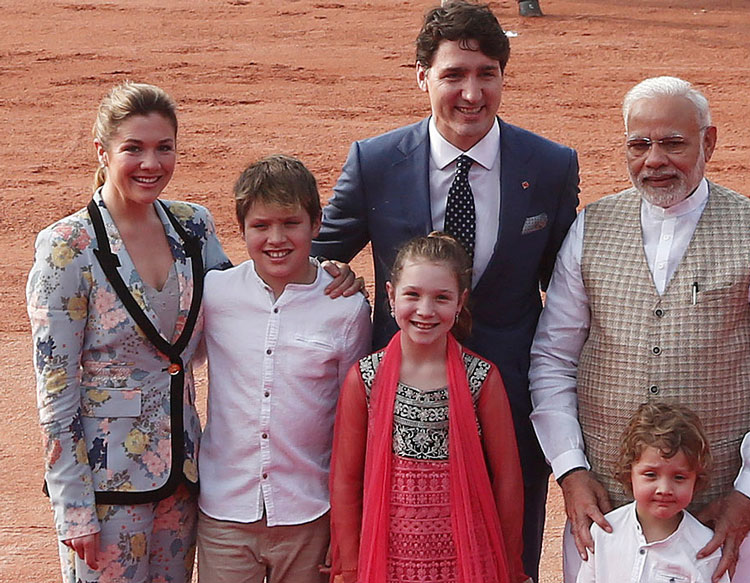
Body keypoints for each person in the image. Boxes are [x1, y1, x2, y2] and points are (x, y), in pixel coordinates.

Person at [312, 3, 579, 577]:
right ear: (422, 76)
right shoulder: (376, 161)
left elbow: (566, 288)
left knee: (509, 551)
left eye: (486, 73)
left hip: (509, 397)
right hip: (405, 403)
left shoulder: (551, 165)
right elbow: (318, 253)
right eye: (453, 74)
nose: (471, 93)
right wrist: (337, 274)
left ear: (503, 76)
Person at [529, 75, 750, 583]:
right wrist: (571, 470)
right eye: (639, 145)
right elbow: (553, 359)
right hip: (609, 519)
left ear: (708, 142)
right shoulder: (590, 227)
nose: (654, 160)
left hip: (723, 516)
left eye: (672, 143)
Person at [26, 82, 232, 583]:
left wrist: (319, 276)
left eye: (164, 148)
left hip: (182, 478)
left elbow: (243, 305)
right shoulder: (66, 246)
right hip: (103, 487)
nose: (151, 163)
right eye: (133, 149)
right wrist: (73, 505)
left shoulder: (194, 226)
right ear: (102, 152)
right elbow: (56, 386)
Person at [195, 154, 372, 583]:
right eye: (260, 226)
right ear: (241, 230)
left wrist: (346, 521)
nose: (276, 238)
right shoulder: (214, 293)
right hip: (224, 514)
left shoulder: (346, 307)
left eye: (291, 223)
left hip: (310, 515)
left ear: (316, 224)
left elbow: (354, 419)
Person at [329, 232, 529, 583]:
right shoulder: (365, 379)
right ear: (390, 295)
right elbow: (346, 480)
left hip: (468, 557)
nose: (425, 310)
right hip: (387, 556)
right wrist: (349, 566)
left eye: (441, 298)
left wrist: (509, 564)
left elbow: (508, 480)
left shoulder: (481, 379)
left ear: (460, 302)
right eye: (412, 295)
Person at [576, 402, 730, 583]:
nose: (664, 489)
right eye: (650, 475)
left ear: (696, 479)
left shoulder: (704, 547)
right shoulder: (604, 533)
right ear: (629, 472)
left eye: (679, 477)